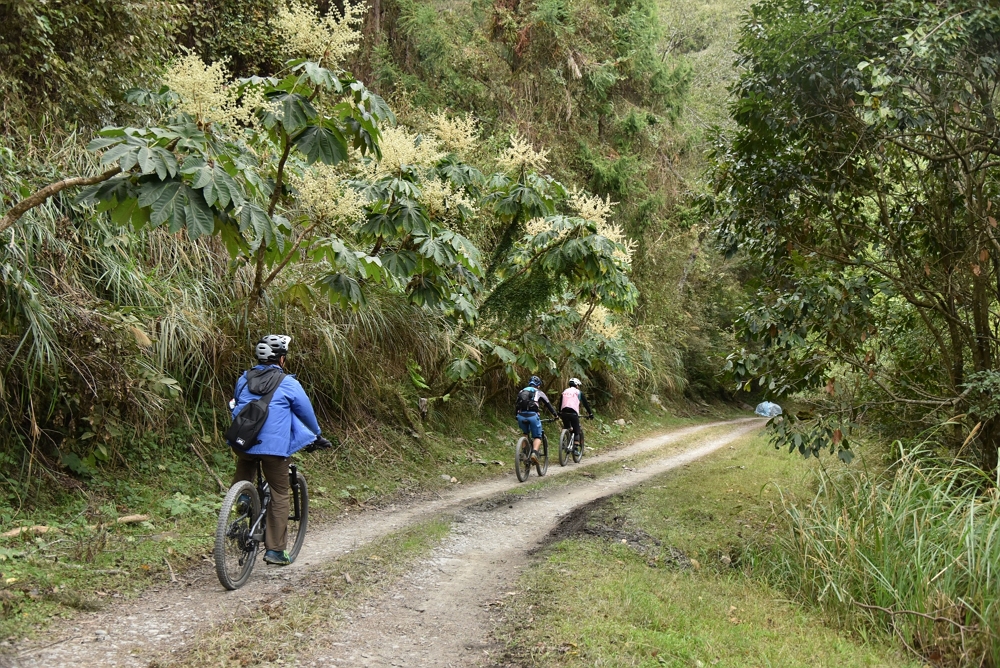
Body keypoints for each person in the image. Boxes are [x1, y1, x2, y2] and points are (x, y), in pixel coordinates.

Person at [229, 334, 331, 565]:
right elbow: (306, 412)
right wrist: (316, 434)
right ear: (281, 360)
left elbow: (237, 403)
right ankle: (275, 551)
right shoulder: (288, 383)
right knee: (279, 492)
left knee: (245, 465)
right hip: (274, 449)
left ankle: (243, 498)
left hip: (243, 441)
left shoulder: (243, 379)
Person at [514, 376, 559, 463]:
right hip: (533, 416)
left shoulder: (521, 391)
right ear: (538, 385)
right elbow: (548, 404)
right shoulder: (539, 392)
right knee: (537, 436)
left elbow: (517, 404)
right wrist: (555, 415)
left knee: (525, 433)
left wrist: (516, 415)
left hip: (521, 416)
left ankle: (523, 453)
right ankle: (534, 453)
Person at [558, 377, 594, 455]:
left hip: (564, 413)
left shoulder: (564, 391)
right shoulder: (578, 392)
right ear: (576, 385)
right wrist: (590, 413)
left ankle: (564, 441)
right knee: (576, 430)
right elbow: (585, 404)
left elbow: (560, 402)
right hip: (573, 414)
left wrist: (559, 412)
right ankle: (575, 448)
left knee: (566, 427)